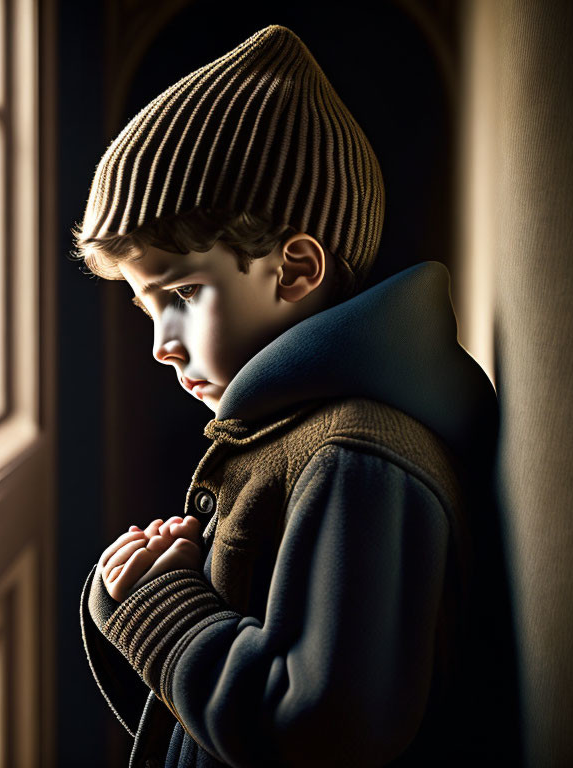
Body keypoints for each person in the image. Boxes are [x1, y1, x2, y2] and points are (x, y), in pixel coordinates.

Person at [75, 24, 506, 768]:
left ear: (296, 268)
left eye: (181, 293)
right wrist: (133, 599)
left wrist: (162, 611)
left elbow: (317, 730)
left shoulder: (357, 459)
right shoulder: (293, 432)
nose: (161, 344)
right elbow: (208, 718)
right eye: (148, 307)